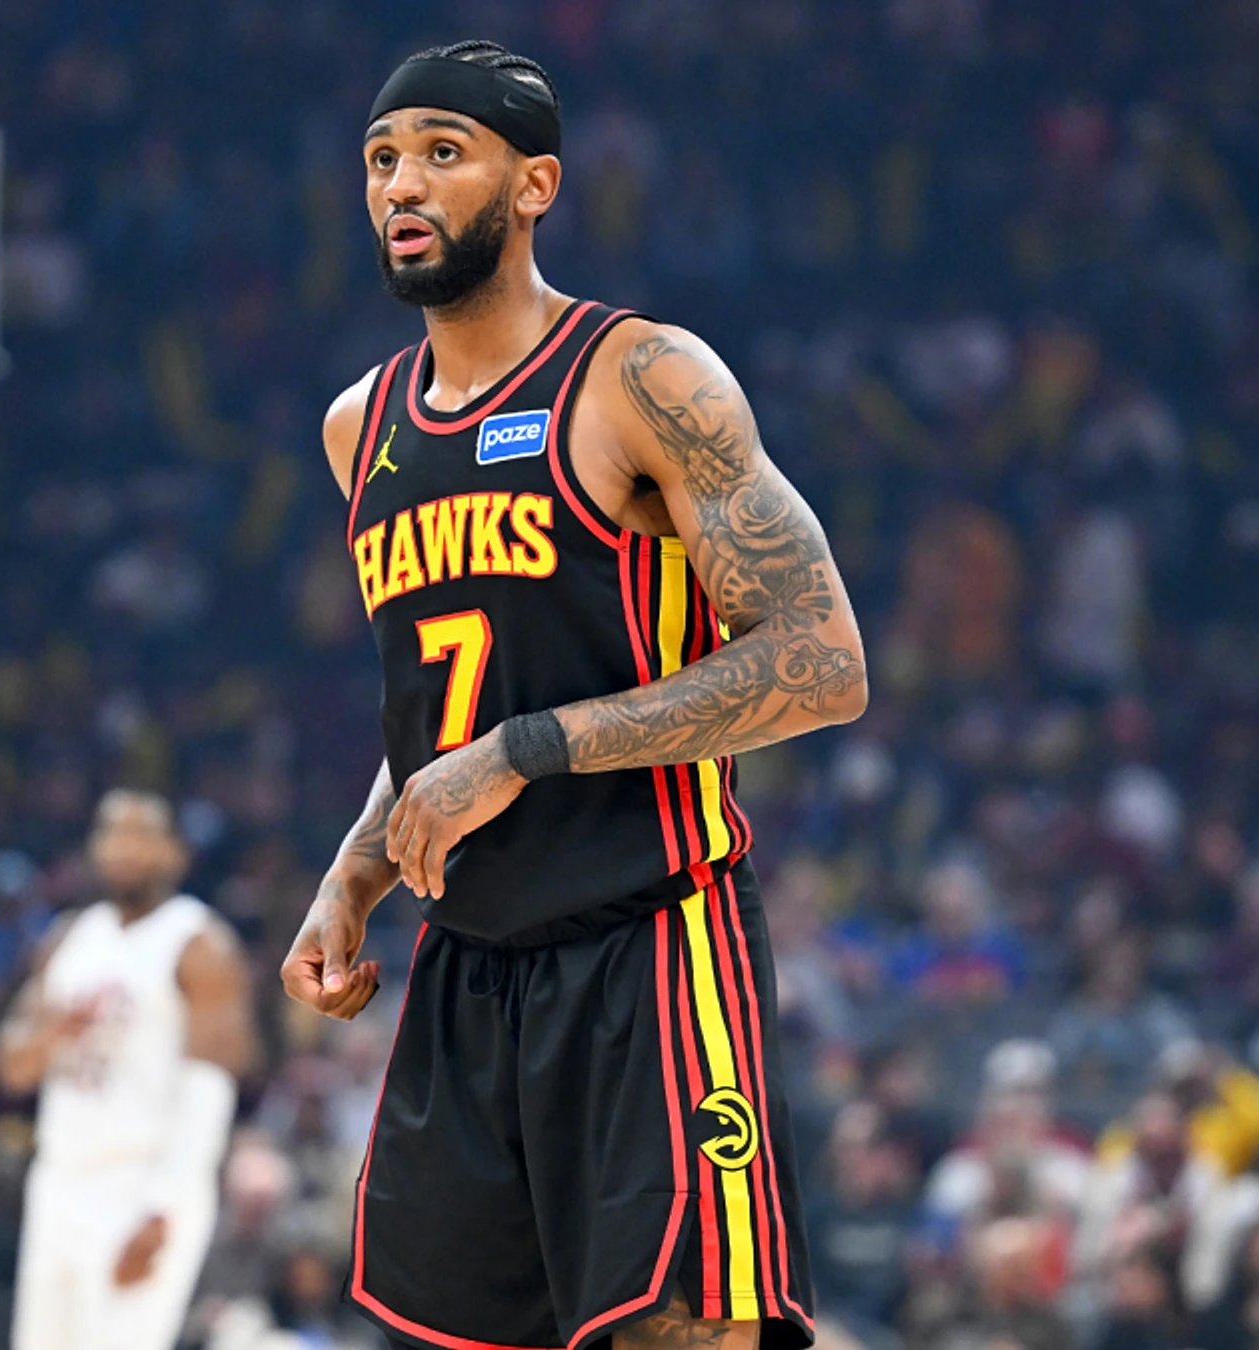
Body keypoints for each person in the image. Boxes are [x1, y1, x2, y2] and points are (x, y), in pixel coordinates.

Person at [281, 37, 867, 1350]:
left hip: (649, 940)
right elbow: (442, 714)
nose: (401, 185)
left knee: (681, 1333)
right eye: (381, 159)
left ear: (535, 184)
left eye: (443, 152)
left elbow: (824, 659)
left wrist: (522, 752)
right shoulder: (359, 426)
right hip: (468, 965)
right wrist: (356, 873)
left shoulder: (641, 376)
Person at [0, 790, 260, 1350]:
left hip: (141, 1184)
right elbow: (11, 1067)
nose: (124, 848)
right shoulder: (68, 937)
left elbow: (211, 1088)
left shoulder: (198, 943)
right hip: (59, 1178)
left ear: (175, 853)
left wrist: (164, 1210)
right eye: (113, 834)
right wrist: (53, 1033)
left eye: (142, 835)